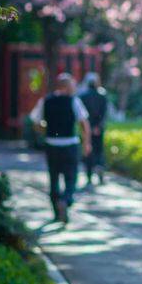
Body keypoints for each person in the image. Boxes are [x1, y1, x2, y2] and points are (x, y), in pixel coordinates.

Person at [30, 73, 91, 224]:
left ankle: (57, 212)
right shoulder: (74, 101)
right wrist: (86, 143)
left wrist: (47, 131)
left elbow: (36, 123)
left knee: (54, 178)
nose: (75, 87)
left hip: (52, 145)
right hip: (70, 144)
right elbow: (84, 123)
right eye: (72, 84)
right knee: (71, 177)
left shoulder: (45, 100)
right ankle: (66, 200)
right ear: (65, 86)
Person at [79, 72, 108, 186]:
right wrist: (98, 126)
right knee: (99, 150)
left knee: (88, 151)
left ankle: (89, 176)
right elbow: (104, 114)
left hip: (87, 129)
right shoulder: (102, 95)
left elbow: (82, 116)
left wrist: (89, 128)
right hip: (98, 129)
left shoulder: (82, 96)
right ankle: (100, 169)